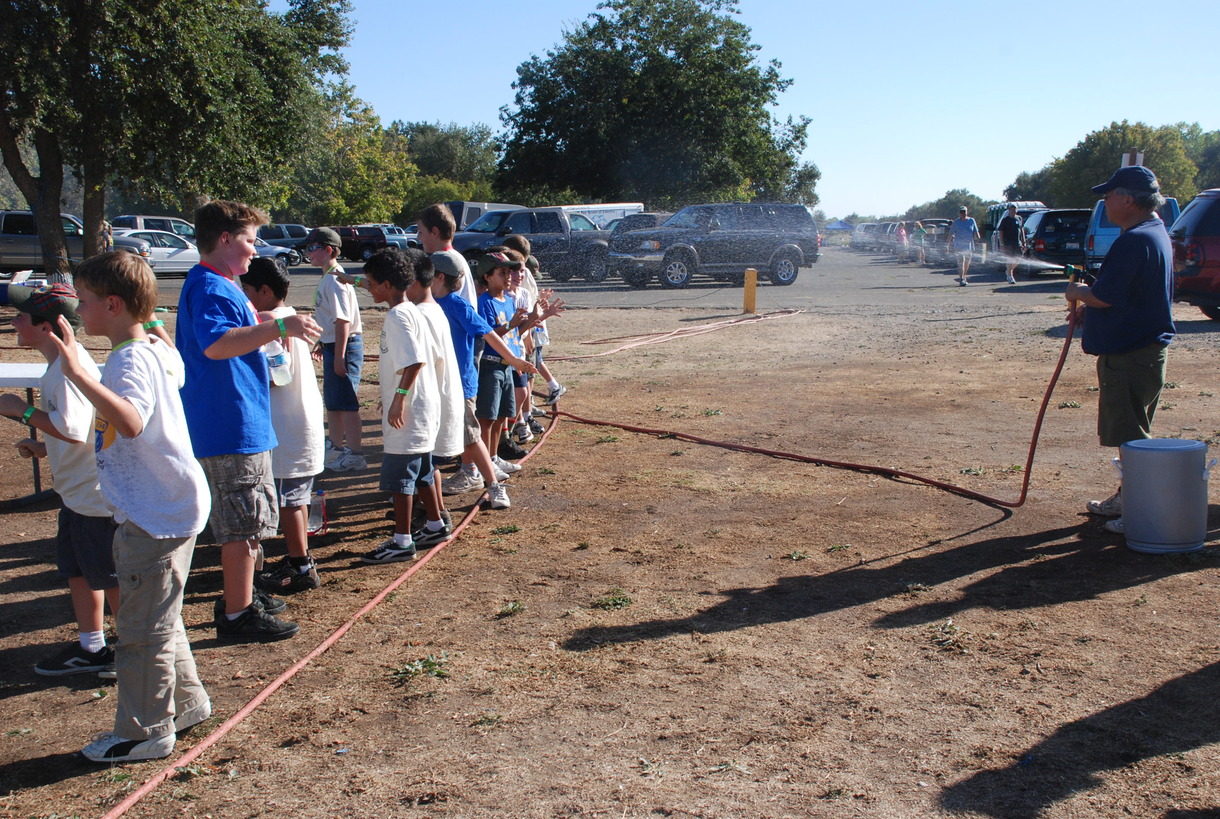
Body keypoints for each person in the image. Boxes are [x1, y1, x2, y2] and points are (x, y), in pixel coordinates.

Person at [49, 251, 211, 762]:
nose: (79, 311)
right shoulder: (152, 348)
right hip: (167, 505)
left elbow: (133, 421)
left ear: (113, 305)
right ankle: (187, 704)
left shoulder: (127, 360)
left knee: (141, 631)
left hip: (156, 513)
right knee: (159, 617)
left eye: (85, 301)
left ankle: (145, 731)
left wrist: (79, 373)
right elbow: (174, 365)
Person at [178, 200, 321, 642]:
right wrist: (279, 328)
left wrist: (260, 319)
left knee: (252, 519)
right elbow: (217, 343)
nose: (255, 249)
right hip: (230, 423)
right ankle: (237, 614)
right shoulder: (212, 286)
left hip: (240, 420)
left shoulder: (220, 284)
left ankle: (242, 594)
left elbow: (228, 330)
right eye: (249, 240)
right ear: (224, 239)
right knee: (242, 523)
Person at [0, 283, 119, 678]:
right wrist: (43, 447)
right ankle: (92, 647)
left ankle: (132, 653)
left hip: (93, 499)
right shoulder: (61, 366)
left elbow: (71, 427)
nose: (14, 323)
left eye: (21, 316)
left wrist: (21, 411)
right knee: (78, 570)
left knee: (108, 577)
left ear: (47, 327)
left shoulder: (67, 371)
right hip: (77, 496)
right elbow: (81, 430)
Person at [1064, 166, 1175, 536]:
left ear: (1128, 200)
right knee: (1133, 430)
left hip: (1131, 356)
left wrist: (1078, 293)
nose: (1105, 202)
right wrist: (1092, 309)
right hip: (1143, 352)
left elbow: (1105, 294)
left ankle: (1141, 509)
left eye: (1109, 195)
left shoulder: (1134, 240)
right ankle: (1129, 498)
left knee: (1133, 436)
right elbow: (1130, 294)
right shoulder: (1154, 232)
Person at [240, 258, 325, 593]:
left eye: (246, 290)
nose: (244, 297)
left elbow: (278, 376)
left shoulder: (270, 324)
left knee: (289, 499)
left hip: (287, 424)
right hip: (300, 419)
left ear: (263, 290)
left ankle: (301, 564)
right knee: (297, 496)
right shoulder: (290, 317)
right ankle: (299, 559)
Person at [358, 248, 443, 563]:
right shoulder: (413, 311)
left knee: (400, 476)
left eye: (371, 283)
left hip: (409, 410)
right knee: (422, 471)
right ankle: (435, 524)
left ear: (387, 284)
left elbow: (414, 361)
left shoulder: (398, 316)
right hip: (421, 406)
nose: (369, 289)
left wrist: (398, 400)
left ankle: (402, 540)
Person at [433, 254, 537, 509]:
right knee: (457, 434)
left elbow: (489, 334)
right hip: (438, 382)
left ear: (439, 277)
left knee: (472, 433)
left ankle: (490, 483)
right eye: (503, 272)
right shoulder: (427, 303)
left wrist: (514, 360)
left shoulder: (457, 304)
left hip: (461, 382)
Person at [307, 227, 366, 471]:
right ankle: (335, 446)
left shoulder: (336, 280)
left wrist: (340, 356)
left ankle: (354, 453)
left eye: (313, 248)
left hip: (346, 346)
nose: (308, 253)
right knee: (333, 402)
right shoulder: (328, 277)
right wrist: (324, 342)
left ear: (329, 250)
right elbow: (330, 320)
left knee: (348, 402)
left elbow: (343, 321)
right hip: (334, 345)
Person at [948, 206, 981, 285]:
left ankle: (964, 276)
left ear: (967, 212)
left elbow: (976, 231)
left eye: (964, 212)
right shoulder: (956, 222)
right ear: (959, 213)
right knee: (961, 262)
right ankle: (961, 278)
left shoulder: (971, 220)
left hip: (969, 245)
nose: (963, 213)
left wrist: (978, 238)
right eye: (961, 212)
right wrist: (947, 245)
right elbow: (951, 234)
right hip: (958, 245)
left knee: (967, 262)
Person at [997, 204, 1026, 284]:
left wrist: (1024, 242)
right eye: (1012, 209)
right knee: (1010, 259)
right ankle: (1010, 276)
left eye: (1014, 209)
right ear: (1009, 210)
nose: (1013, 210)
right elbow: (1000, 232)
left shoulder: (1019, 218)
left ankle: (1009, 270)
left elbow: (1022, 230)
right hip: (1008, 243)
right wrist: (1002, 244)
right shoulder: (1005, 220)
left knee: (1019, 258)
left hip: (1017, 242)